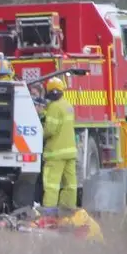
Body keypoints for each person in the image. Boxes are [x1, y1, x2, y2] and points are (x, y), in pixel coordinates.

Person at [40, 76, 79, 210]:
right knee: (70, 185)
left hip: (55, 153)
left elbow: (50, 130)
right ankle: (68, 211)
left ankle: (49, 213)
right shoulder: (68, 106)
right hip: (70, 152)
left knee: (51, 185)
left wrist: (39, 136)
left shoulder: (54, 107)